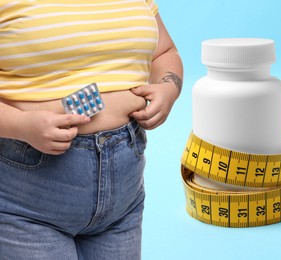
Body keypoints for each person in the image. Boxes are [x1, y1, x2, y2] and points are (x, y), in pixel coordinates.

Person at [0, 0, 183, 259]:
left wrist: (169, 88)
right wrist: (20, 126)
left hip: (124, 196)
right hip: (28, 198)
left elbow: (164, 52)